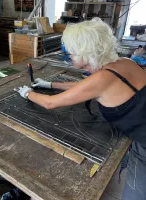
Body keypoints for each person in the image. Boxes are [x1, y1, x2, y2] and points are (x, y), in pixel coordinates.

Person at [18, 18, 146, 200]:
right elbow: (85, 86)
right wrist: (50, 83)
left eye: (71, 51)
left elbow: (50, 103)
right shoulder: (126, 63)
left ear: (85, 53)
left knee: (136, 194)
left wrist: (27, 93)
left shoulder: (101, 79)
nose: (68, 54)